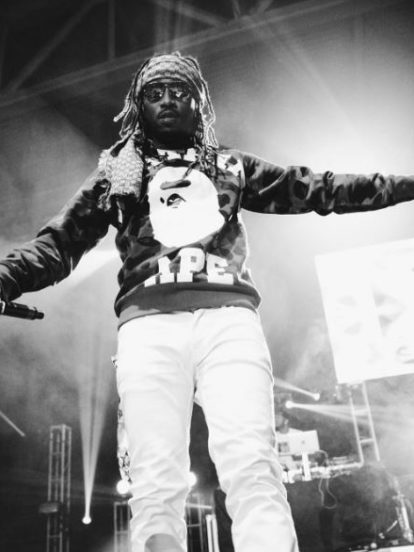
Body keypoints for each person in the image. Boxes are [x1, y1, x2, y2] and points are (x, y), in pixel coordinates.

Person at [0, 51, 414, 552]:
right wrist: (5, 277)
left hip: (229, 320)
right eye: (155, 93)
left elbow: (316, 189)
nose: (168, 101)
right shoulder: (117, 173)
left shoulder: (229, 166)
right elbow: (58, 244)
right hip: (148, 326)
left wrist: (403, 186)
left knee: (253, 465)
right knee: (155, 481)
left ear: (199, 104)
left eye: (180, 92)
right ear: (138, 106)